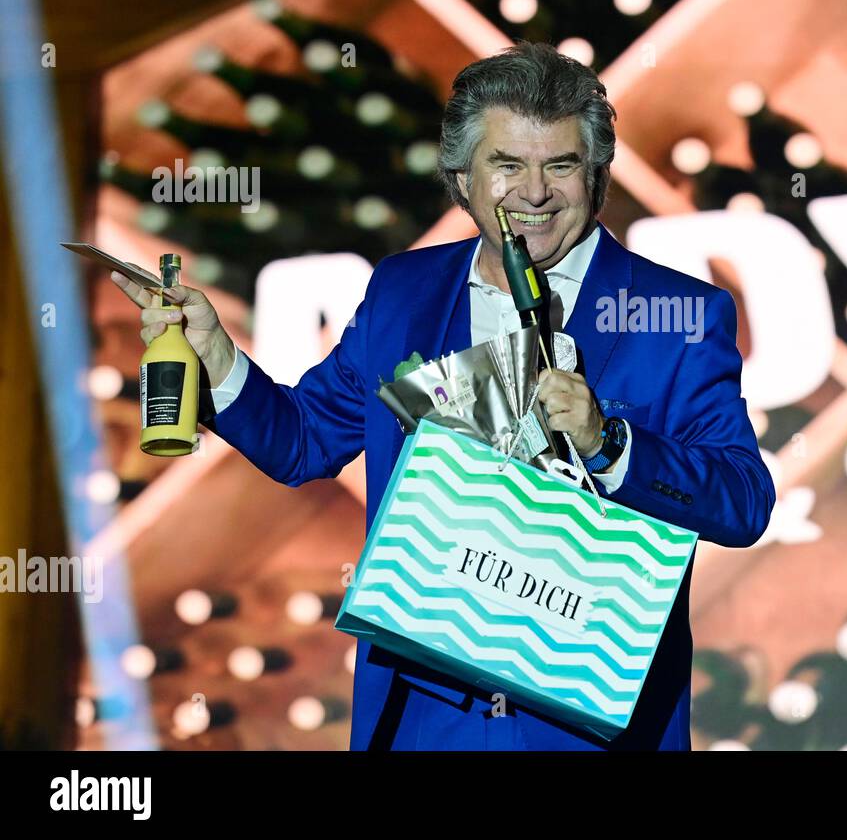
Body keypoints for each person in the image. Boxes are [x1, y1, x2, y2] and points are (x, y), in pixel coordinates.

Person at [113, 41, 775, 750]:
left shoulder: (678, 313)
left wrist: (609, 445)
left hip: (587, 733)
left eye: (561, 164)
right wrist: (217, 359)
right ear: (462, 178)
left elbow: (742, 503)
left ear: (597, 173)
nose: (535, 192)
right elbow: (303, 441)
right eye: (507, 165)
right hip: (417, 722)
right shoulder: (404, 289)